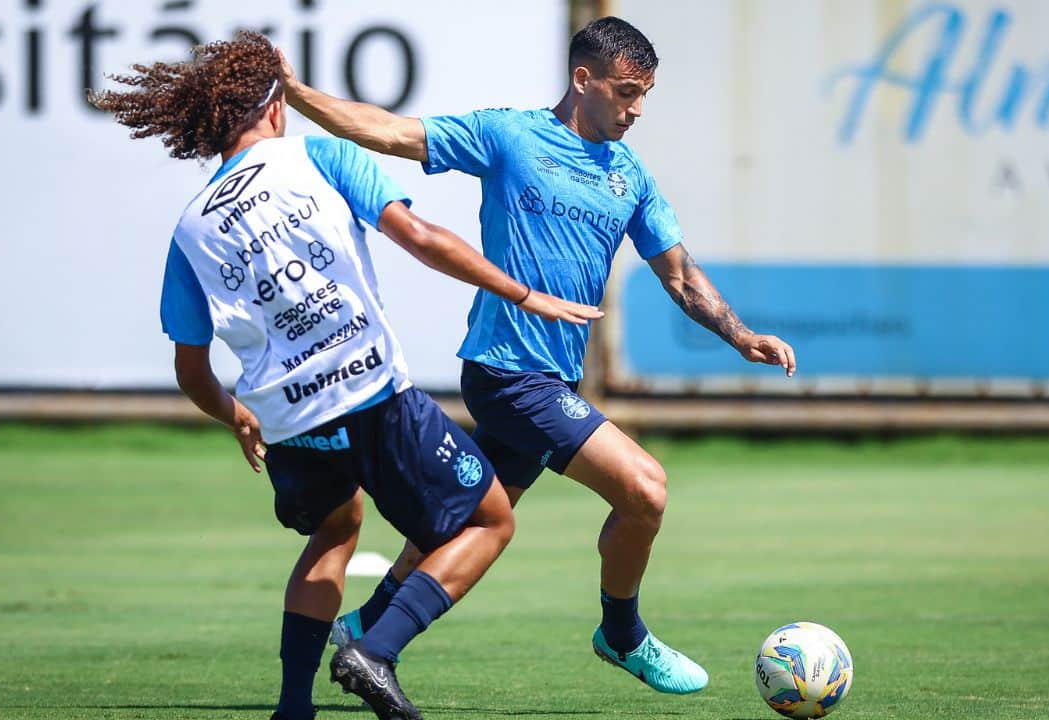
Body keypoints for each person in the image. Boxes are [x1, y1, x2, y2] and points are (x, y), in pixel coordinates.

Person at [90, 31, 602, 720]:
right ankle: (377, 649)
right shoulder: (316, 156)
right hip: (373, 395)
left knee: (334, 528)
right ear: (275, 109)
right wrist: (525, 295)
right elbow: (421, 239)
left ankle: (293, 707)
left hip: (287, 417)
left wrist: (234, 412)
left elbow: (190, 367)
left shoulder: (191, 228)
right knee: (490, 521)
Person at [280, 16, 796, 695]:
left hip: (552, 376)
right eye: (626, 91)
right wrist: (297, 93)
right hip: (506, 373)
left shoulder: (629, 175)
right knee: (645, 488)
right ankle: (621, 632)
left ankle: (367, 634)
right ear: (583, 80)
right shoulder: (510, 136)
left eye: (646, 94)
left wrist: (740, 334)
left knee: (468, 524)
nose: (637, 109)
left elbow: (678, 273)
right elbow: (388, 130)